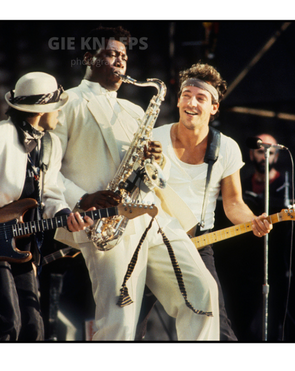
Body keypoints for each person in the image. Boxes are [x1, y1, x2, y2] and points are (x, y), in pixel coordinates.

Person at [51, 26, 220, 341]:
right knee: (120, 324)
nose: (119, 62)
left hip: (151, 216)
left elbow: (153, 174)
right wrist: (82, 198)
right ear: (88, 57)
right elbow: (48, 169)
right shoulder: (68, 102)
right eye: (112, 54)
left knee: (203, 293)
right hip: (105, 226)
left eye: (124, 57)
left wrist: (155, 159)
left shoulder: (134, 110)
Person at [0, 72, 93, 341]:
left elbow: (51, 193)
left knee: (33, 330)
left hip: (20, 246)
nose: (60, 113)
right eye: (58, 107)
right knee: (7, 326)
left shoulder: (51, 145)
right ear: (43, 111)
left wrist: (66, 214)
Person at [151, 63, 272, 341]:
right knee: (131, 321)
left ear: (214, 108)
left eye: (200, 97)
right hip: (152, 238)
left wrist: (252, 220)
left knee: (216, 321)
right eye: (186, 95)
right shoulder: (155, 138)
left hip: (198, 242)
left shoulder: (227, 147)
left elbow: (233, 204)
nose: (191, 102)